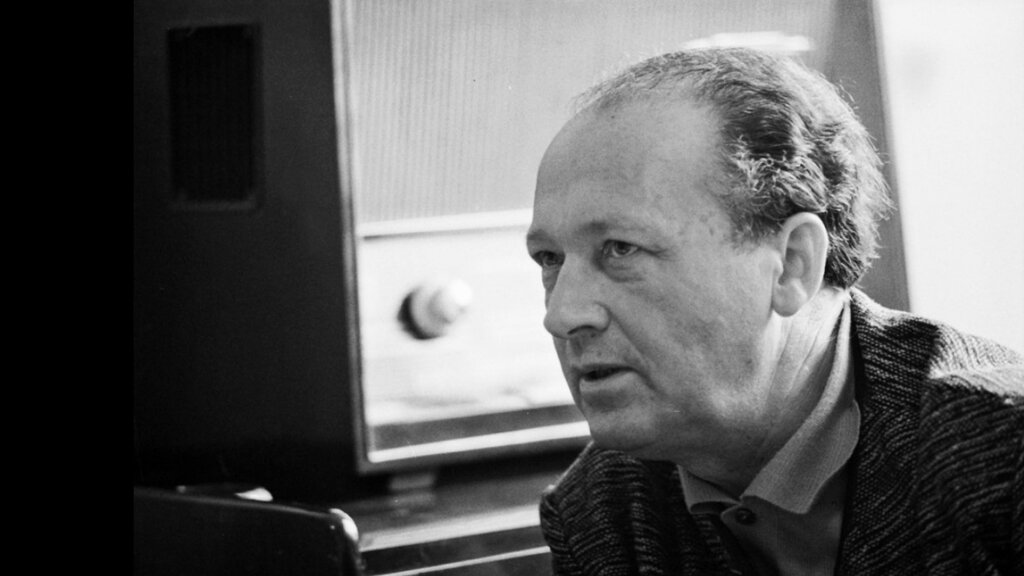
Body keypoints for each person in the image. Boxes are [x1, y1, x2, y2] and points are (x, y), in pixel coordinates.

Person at [526, 47, 1023, 576]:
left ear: (791, 264)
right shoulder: (597, 513)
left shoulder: (1002, 456)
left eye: (621, 249)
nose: (561, 315)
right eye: (550, 259)